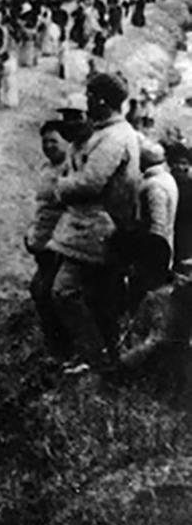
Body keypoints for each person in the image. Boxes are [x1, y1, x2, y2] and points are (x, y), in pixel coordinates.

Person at [49, 73, 141, 373]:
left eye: (89, 95)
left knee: (65, 292)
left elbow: (90, 182)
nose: (86, 101)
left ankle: (92, 356)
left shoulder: (114, 137)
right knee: (97, 296)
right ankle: (103, 357)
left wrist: (61, 186)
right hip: (97, 227)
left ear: (101, 100)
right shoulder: (108, 133)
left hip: (97, 228)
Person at [24, 122, 73, 360]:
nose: (49, 146)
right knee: (39, 291)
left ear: (67, 142)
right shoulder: (46, 167)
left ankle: (63, 350)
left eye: (54, 141)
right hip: (41, 241)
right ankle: (53, 347)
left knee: (47, 291)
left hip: (59, 241)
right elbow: (40, 206)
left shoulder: (70, 169)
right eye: (45, 142)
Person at [127, 141, 178, 315]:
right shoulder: (166, 178)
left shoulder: (154, 185)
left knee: (146, 298)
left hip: (153, 252)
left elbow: (157, 224)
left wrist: (146, 254)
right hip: (162, 247)